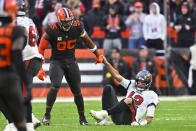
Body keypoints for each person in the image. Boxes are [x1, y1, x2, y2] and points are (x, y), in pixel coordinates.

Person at [38, 7, 103, 125]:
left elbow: (87, 41)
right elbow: (41, 47)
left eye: (70, 21)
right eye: (65, 21)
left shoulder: (77, 25)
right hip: (57, 62)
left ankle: (82, 118)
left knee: (77, 90)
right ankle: (46, 115)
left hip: (71, 61)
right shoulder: (52, 29)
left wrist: (97, 55)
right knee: (55, 85)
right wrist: (39, 67)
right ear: (59, 20)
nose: (68, 23)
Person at [3, 0, 42, 130]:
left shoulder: (15, 23)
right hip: (33, 58)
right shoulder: (28, 20)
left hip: (26, 59)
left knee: (20, 94)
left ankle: (26, 124)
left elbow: (21, 44)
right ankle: (27, 120)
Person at [90, 56, 159, 126]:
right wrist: (106, 62)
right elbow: (117, 76)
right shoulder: (132, 84)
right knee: (108, 88)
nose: (140, 84)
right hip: (118, 115)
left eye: (143, 82)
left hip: (130, 120)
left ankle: (104, 113)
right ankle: (105, 120)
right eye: (139, 81)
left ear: (148, 83)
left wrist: (140, 124)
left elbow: (149, 118)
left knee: (129, 100)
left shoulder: (152, 95)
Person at [0, 0, 28, 130]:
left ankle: (11, 123)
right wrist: (26, 83)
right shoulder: (17, 30)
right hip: (9, 75)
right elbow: (18, 57)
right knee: (20, 120)